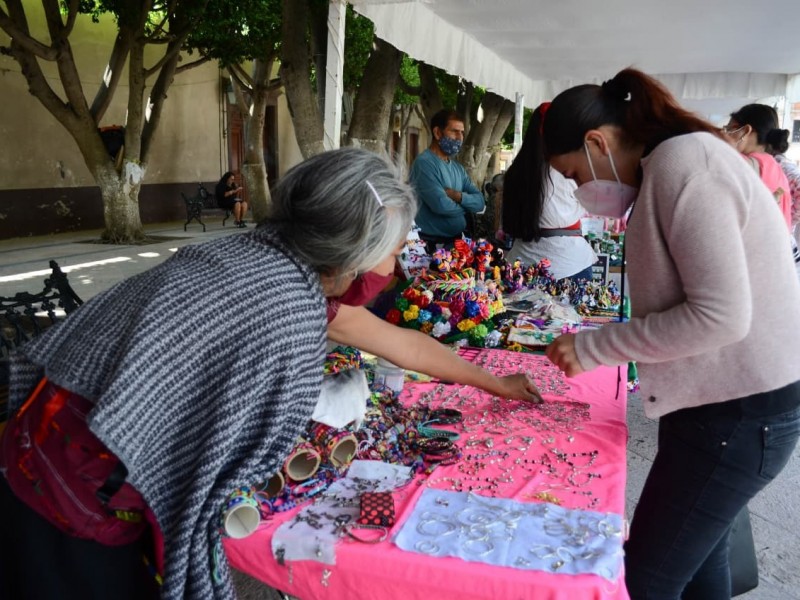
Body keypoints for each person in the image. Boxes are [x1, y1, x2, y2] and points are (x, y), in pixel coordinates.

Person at [0, 148, 540, 600]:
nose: (397, 270)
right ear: (353, 252)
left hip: (47, 443)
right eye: (396, 252)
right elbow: (239, 457)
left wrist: (496, 383)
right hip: (72, 487)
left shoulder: (272, 260)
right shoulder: (283, 303)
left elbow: (403, 345)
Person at [537, 68, 800, 599]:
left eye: (573, 175)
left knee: (647, 579)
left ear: (597, 143)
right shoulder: (672, 165)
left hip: (741, 415)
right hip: (722, 406)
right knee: (701, 563)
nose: (578, 190)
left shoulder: (687, 164)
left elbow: (721, 315)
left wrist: (594, 346)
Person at [501, 103, 598, 281]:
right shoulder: (571, 169)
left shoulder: (514, 173)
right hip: (569, 263)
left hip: (521, 263)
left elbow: (504, 225)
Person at [723, 103, 800, 279]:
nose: (726, 135)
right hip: (786, 251)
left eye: (730, 129)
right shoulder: (774, 164)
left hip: (769, 259)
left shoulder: (747, 163)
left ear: (745, 131)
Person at [409, 109, 485, 249]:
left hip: (455, 243)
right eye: (454, 131)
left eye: (462, 132)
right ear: (437, 133)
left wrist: (457, 196)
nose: (460, 137)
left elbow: (480, 202)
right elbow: (441, 206)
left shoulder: (458, 168)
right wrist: (468, 206)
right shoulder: (424, 163)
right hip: (431, 246)